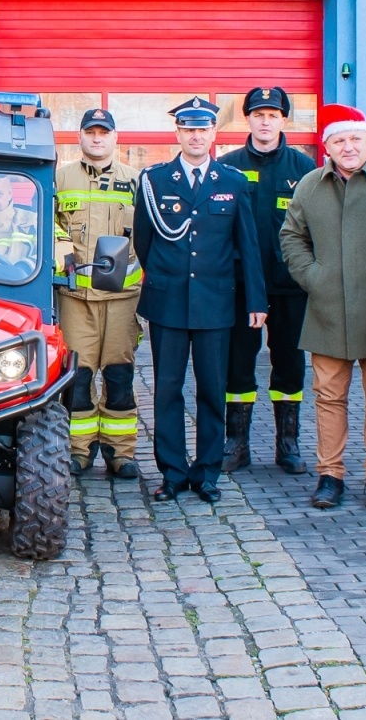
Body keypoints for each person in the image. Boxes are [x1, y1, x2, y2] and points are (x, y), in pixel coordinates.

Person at [279, 104, 366, 511]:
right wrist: (313, 276)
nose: (349, 147)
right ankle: (330, 475)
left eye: (355, 138)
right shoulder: (310, 185)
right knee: (328, 399)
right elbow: (291, 236)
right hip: (327, 310)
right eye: (339, 140)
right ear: (327, 146)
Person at [133, 97, 266, 504]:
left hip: (215, 303)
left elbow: (247, 245)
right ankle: (172, 473)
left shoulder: (232, 181)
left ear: (213, 134)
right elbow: (144, 242)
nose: (195, 136)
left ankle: (207, 473)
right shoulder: (155, 180)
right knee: (167, 391)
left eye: (203, 129)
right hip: (169, 303)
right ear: (178, 134)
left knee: (212, 390)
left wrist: (256, 301)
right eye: (188, 129)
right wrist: (165, 278)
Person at [219, 86, 317, 475]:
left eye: (272, 115)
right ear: (247, 119)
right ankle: (237, 443)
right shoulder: (227, 167)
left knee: (290, 364)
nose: (265, 122)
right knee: (237, 364)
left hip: (289, 287)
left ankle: (287, 443)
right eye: (258, 114)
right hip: (242, 287)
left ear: (283, 119)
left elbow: (316, 230)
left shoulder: (304, 169)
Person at [53, 108, 143, 478]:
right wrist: (61, 247)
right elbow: (48, 222)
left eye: (103, 132)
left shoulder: (137, 181)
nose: (97, 138)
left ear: (115, 138)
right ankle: (78, 451)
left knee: (120, 377)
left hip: (123, 299)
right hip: (76, 300)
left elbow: (150, 234)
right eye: (90, 132)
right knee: (78, 379)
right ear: (80, 137)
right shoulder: (60, 178)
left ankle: (121, 454)